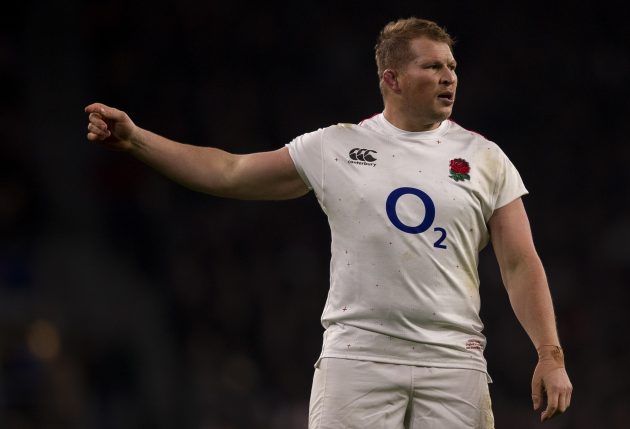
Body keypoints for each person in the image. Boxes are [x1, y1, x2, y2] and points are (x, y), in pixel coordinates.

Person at [85, 17, 572, 429]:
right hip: (357, 357)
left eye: (452, 67)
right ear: (392, 78)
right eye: (432, 66)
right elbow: (228, 171)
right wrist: (137, 142)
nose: (449, 77)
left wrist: (550, 355)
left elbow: (519, 263)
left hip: (453, 362)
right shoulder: (335, 146)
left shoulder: (485, 157)